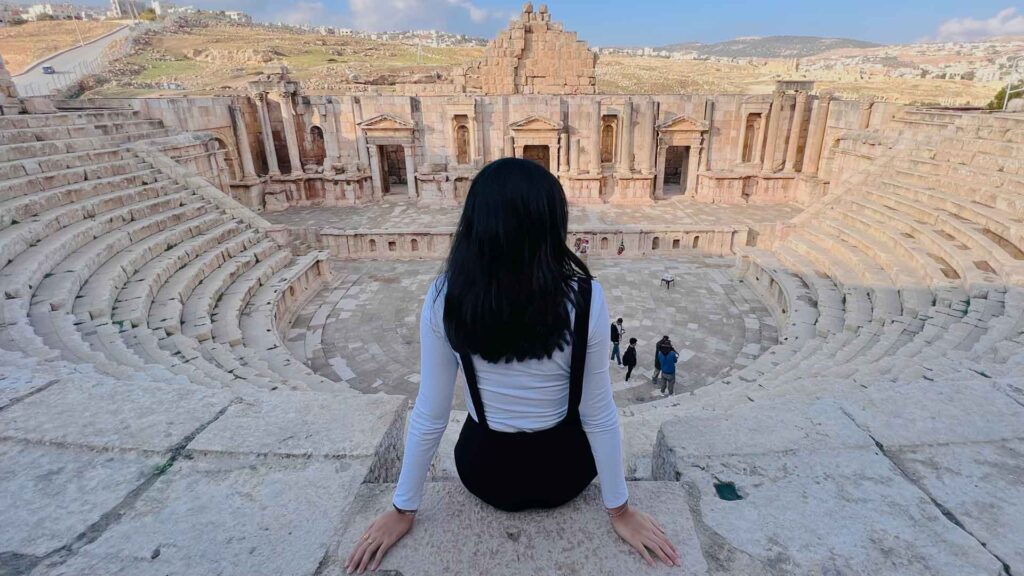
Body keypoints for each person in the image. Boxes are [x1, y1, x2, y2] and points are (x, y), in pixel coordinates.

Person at [346, 158, 679, 574]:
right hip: (567, 472)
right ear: (551, 223)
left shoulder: (443, 296)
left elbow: (430, 413)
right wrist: (620, 510)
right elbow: (598, 413)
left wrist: (403, 508)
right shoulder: (587, 297)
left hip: (484, 473)